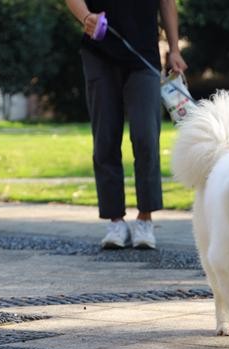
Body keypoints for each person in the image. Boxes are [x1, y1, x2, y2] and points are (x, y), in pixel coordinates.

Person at [65, 0, 187, 249]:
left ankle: (145, 218)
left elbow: (167, 3)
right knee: (105, 139)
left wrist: (174, 48)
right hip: (99, 52)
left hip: (143, 56)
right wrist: (85, 16)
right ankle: (115, 221)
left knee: (146, 136)